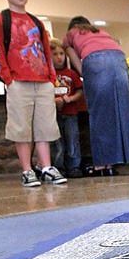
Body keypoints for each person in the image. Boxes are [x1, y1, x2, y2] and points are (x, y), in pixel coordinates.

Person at [0, 0, 67, 187]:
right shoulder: (0, 19)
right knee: (21, 127)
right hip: (18, 81)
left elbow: (45, 49)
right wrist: (7, 78)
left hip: (42, 80)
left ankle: (46, 167)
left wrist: (52, 77)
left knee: (45, 126)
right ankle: (26, 169)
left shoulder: (36, 21)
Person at [62, 17, 129, 176]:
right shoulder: (101, 31)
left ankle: (101, 165)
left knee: (99, 114)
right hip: (119, 59)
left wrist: (85, 74)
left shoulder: (70, 34)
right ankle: (115, 162)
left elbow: (76, 61)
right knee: (120, 111)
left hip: (96, 61)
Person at [51, 38, 85, 177]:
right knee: (57, 142)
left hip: (70, 112)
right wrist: (53, 100)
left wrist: (70, 99)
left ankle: (74, 167)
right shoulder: (49, 76)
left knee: (72, 140)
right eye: (55, 54)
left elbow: (79, 91)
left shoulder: (71, 74)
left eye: (61, 54)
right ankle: (59, 167)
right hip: (53, 114)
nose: (59, 57)